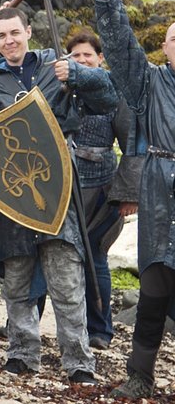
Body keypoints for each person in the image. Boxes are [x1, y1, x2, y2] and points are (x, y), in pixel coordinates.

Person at [0, 5, 116, 383]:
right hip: (11, 190)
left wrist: (79, 74)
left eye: (14, 32)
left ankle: (79, 361)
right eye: (0, 35)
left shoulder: (56, 67)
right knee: (17, 282)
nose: (8, 41)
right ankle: (21, 353)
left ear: (28, 31)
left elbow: (107, 99)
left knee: (66, 280)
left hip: (58, 187)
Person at [94, 0, 175, 398]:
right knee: (154, 291)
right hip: (160, 195)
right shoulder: (150, 83)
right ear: (165, 47)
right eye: (174, 39)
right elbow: (122, 46)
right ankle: (140, 376)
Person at [64, 27, 138, 350]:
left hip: (103, 190)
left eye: (87, 56)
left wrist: (128, 193)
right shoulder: (60, 89)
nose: (81, 61)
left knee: (95, 256)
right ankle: (22, 324)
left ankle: (100, 330)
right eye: (75, 56)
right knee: (47, 255)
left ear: (100, 58)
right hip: (63, 186)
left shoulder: (114, 92)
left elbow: (132, 144)